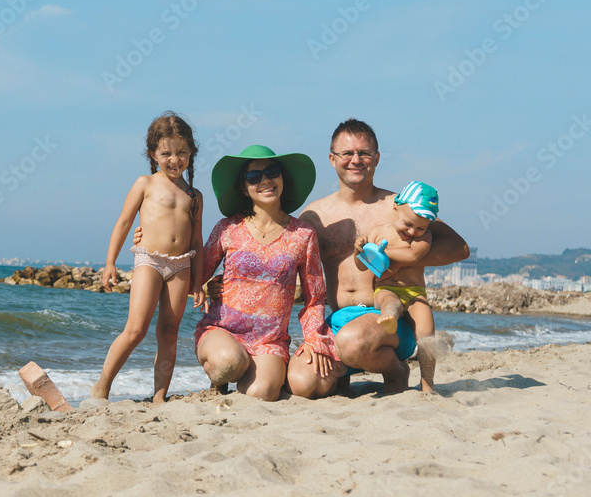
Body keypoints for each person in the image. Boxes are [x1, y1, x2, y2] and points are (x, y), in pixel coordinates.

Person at [295, 119, 469, 393]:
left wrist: (406, 256)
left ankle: (396, 371)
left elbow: (459, 248)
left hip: (390, 319)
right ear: (332, 159)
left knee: (352, 342)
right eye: (347, 154)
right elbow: (287, 269)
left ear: (376, 158)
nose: (356, 160)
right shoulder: (314, 216)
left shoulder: (400, 207)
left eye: (364, 153)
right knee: (302, 384)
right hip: (339, 320)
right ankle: (344, 370)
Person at [193, 145, 342, 401]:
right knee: (228, 364)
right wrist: (206, 287)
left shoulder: (303, 235)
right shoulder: (228, 228)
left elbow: (315, 298)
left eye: (272, 172)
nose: (265, 180)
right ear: (243, 187)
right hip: (222, 330)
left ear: (283, 178)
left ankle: (259, 374)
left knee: (260, 395)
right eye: (254, 177)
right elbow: (196, 273)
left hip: (269, 342)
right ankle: (221, 379)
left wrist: (314, 339)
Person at [91, 112, 205, 404]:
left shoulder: (194, 196)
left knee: (169, 332)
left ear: (191, 152)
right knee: (136, 329)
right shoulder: (145, 183)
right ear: (153, 154)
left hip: (181, 265)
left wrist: (199, 282)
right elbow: (124, 223)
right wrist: (110, 263)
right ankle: (102, 386)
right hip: (149, 261)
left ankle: (159, 395)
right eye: (166, 153)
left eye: (181, 152)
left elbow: (197, 241)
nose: (174, 159)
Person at [355, 181, 441, 393]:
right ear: (395, 208)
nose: (413, 231)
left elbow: (413, 255)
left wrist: (380, 252)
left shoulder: (425, 237)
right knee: (389, 302)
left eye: (420, 227)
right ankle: (390, 317)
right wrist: (359, 250)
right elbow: (362, 265)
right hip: (386, 288)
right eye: (408, 224)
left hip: (415, 293)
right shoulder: (377, 232)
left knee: (427, 332)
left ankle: (428, 384)